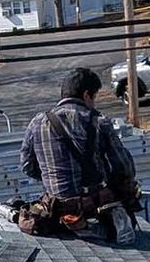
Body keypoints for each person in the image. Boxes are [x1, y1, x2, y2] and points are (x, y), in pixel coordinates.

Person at [18, 67, 141, 239]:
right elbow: (124, 168)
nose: (94, 103)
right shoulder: (99, 122)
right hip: (93, 211)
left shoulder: (37, 122)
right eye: (94, 97)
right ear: (86, 95)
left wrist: (52, 176)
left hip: (55, 214)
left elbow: (27, 166)